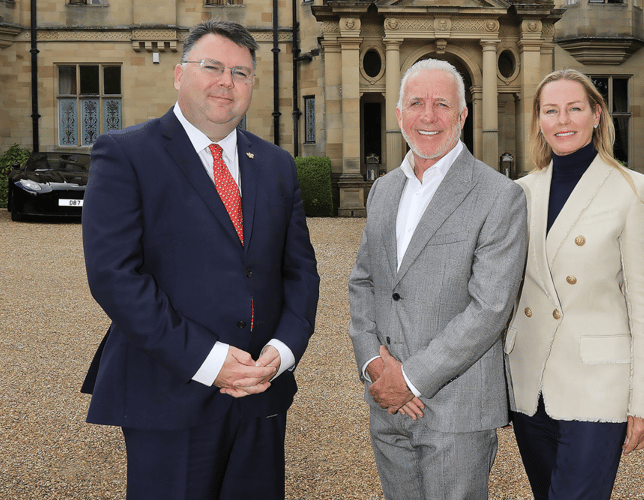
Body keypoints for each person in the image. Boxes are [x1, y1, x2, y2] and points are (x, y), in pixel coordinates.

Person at [80, 20, 319, 500]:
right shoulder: (126, 154)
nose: (226, 82)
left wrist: (284, 352)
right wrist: (210, 362)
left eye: (241, 72)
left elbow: (300, 272)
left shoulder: (275, 165)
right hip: (170, 392)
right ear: (178, 74)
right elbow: (114, 277)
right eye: (212, 67)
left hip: (261, 391)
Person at [348, 59, 527, 500]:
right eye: (416, 103)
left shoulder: (499, 195)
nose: (428, 116)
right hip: (387, 404)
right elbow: (365, 284)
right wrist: (375, 367)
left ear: (463, 115)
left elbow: (489, 309)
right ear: (399, 115)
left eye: (442, 104)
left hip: (456, 410)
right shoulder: (384, 190)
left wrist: (408, 379)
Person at [505, 68, 644, 500]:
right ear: (538, 119)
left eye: (574, 108)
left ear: (596, 115)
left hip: (597, 386)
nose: (563, 120)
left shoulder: (634, 191)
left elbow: (643, 304)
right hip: (529, 384)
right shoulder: (518, 193)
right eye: (551, 110)